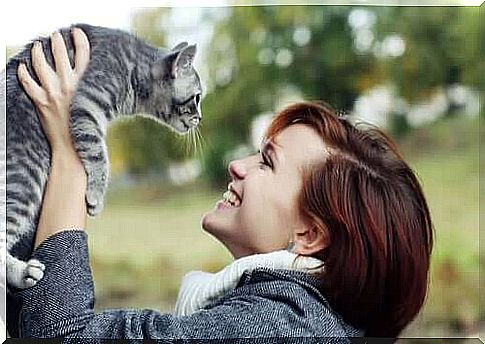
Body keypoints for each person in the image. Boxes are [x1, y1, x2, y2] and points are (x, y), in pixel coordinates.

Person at [11, 29, 433, 340]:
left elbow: (59, 335)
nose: (236, 166)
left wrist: (69, 153)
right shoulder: (310, 318)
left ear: (310, 234)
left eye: (267, 163)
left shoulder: (276, 328)